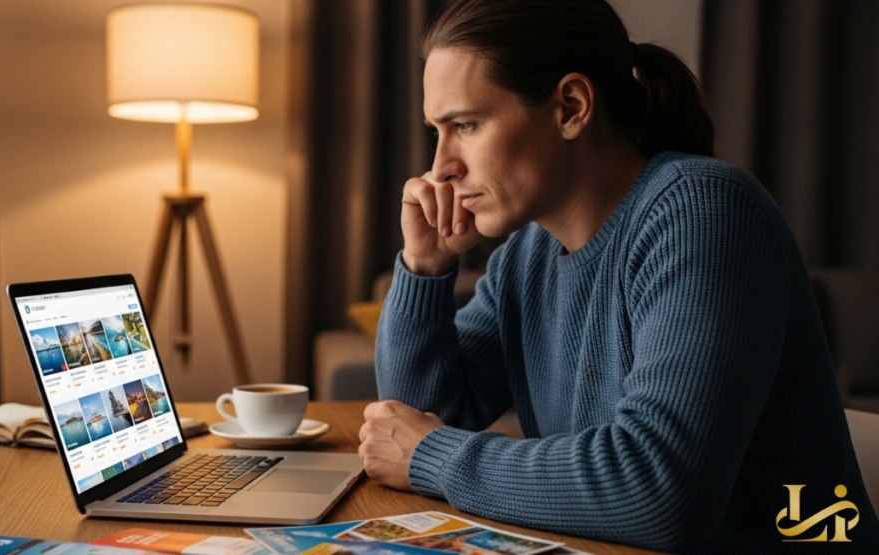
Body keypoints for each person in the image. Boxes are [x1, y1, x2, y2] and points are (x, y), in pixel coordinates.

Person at [356, 0, 879, 553]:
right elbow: (418, 420)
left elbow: (658, 488)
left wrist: (436, 456)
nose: (440, 168)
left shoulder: (704, 212)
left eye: (465, 125)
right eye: (437, 130)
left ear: (571, 107)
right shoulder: (527, 254)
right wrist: (425, 266)